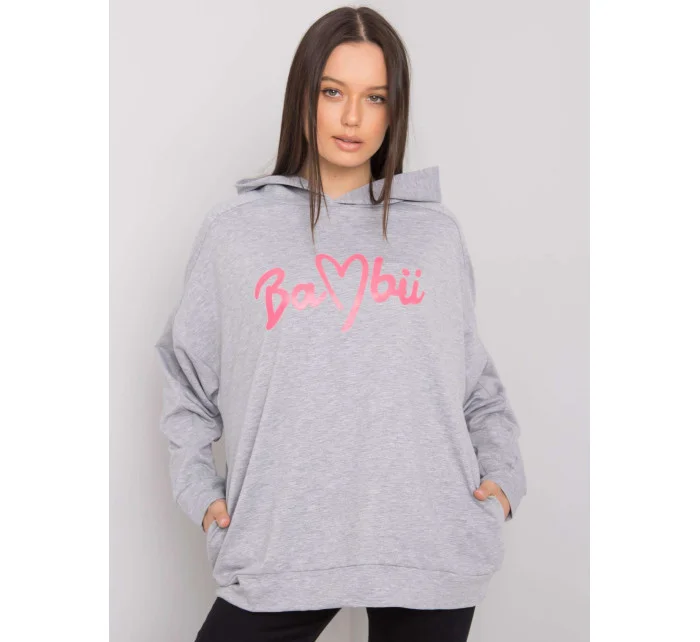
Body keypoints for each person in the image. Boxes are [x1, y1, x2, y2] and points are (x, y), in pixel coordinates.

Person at [154, 6, 527, 641]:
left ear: (393, 111)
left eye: (374, 97)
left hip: (431, 547)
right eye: (333, 92)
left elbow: (475, 387)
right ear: (304, 96)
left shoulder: (434, 235)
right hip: (278, 548)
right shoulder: (237, 234)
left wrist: (502, 482)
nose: (353, 117)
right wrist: (202, 495)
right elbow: (185, 378)